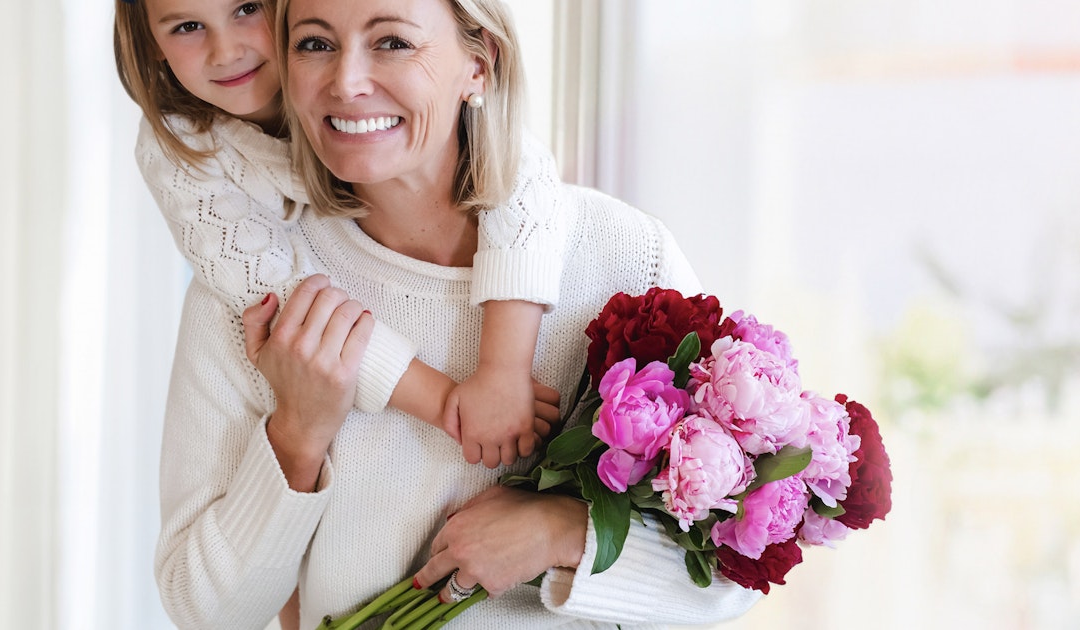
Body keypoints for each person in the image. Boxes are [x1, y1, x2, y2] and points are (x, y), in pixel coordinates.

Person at [150, 0, 765, 627]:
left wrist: (558, 533)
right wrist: (297, 436)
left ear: (479, 62)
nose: (347, 81)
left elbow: (734, 574)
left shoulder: (622, 256)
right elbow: (205, 613)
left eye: (391, 42)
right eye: (314, 44)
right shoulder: (250, 296)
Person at [114, 0, 574, 474]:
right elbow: (291, 306)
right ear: (150, 43)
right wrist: (444, 403)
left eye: (248, 9)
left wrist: (503, 372)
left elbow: (519, 168)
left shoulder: (349, 93)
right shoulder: (181, 152)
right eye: (188, 27)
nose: (226, 52)